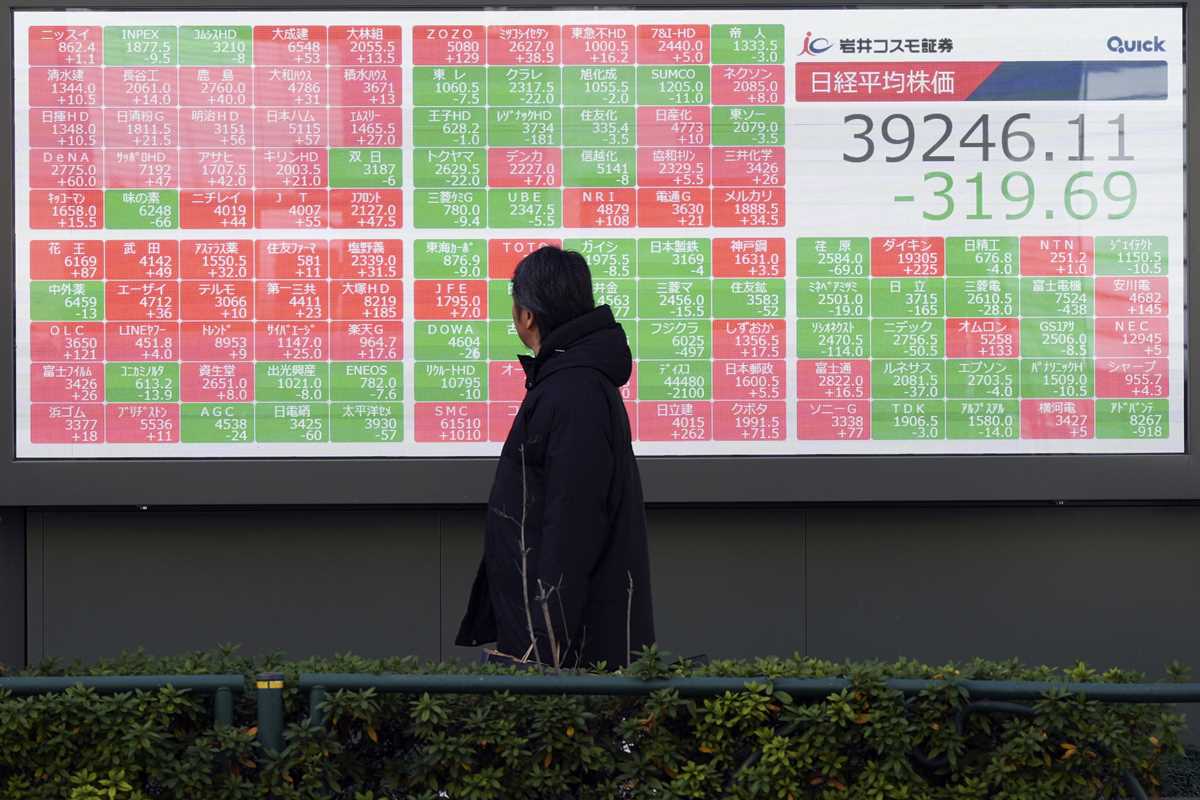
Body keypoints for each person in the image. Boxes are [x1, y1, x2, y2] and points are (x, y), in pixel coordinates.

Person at [456, 246, 654, 670]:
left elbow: (572, 523)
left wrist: (545, 649)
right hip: (561, 643)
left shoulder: (572, 392)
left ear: (527, 315)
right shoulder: (570, 383)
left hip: (566, 655)